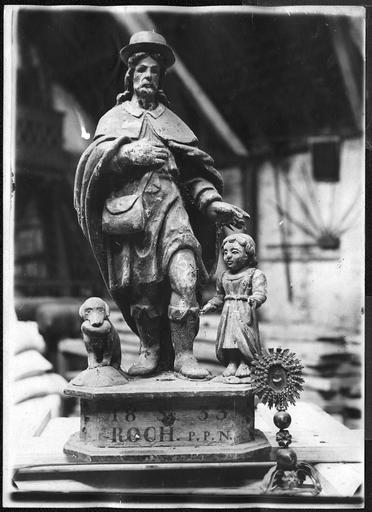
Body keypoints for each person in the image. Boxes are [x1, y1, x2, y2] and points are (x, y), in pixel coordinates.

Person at [74, 31, 248, 380]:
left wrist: (213, 204)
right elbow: (91, 169)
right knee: (145, 291)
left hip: (173, 214)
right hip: (134, 218)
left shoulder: (173, 123)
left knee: (185, 278)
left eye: (154, 70)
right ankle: (151, 351)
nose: (147, 76)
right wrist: (125, 154)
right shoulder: (113, 120)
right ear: (131, 75)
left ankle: (184, 355)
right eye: (141, 70)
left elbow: (195, 175)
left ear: (161, 76)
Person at [201, 234, 267, 378]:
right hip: (228, 312)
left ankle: (245, 362)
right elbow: (219, 296)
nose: (228, 256)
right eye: (225, 252)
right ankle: (232, 362)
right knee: (228, 337)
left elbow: (260, 292)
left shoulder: (255, 274)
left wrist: (255, 299)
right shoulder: (223, 276)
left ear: (247, 255)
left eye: (234, 252)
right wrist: (211, 304)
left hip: (244, 312)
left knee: (244, 338)